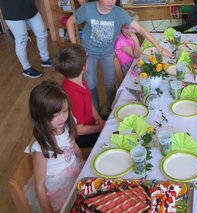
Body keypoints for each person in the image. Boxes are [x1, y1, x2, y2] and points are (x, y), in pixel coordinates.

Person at [67, 0, 171, 113]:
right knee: (91, 84)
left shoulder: (119, 13)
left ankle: (110, 110)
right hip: (88, 51)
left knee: (110, 83)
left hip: (107, 51)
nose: (111, 2)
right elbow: (70, 22)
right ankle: (95, 114)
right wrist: (75, 45)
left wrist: (159, 48)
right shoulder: (87, 9)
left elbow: (140, 29)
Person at [24, 80, 84, 212]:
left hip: (74, 170)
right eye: (54, 115)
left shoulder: (67, 124)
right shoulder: (40, 146)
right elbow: (39, 185)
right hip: (57, 186)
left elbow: (73, 146)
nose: (62, 118)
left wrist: (84, 163)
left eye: (65, 110)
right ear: (40, 116)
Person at [53, 44, 106, 148]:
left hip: (91, 123)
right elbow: (78, 129)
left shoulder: (76, 80)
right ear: (84, 67)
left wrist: (98, 119)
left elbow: (88, 101)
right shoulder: (73, 96)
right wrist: (100, 127)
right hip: (82, 137)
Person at [0, 0, 52, 79]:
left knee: (42, 33)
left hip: (30, 8)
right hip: (12, 11)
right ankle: (26, 69)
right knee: (22, 40)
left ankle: (45, 59)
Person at [114, 10, 141, 75]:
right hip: (128, 68)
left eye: (132, 28)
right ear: (121, 27)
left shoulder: (129, 36)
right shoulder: (121, 41)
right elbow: (136, 56)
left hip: (134, 63)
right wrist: (136, 41)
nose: (129, 31)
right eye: (126, 28)